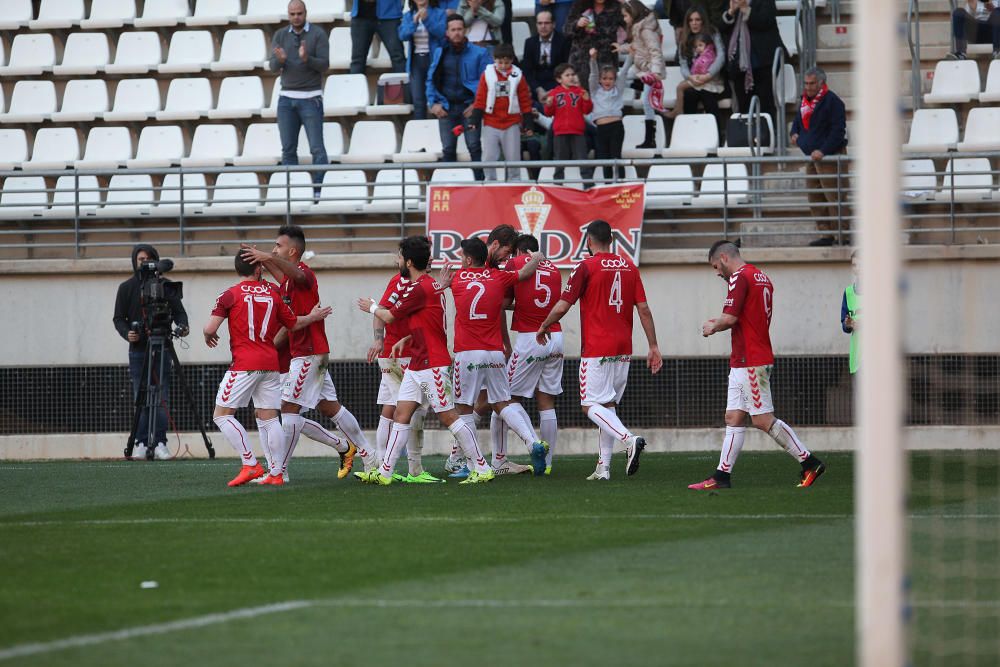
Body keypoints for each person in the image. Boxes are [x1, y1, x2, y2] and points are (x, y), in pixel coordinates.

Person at [241, 226, 377, 482]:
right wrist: (262, 259)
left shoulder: (304, 273)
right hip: (309, 353)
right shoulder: (288, 282)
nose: (273, 249)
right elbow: (285, 279)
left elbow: (297, 276)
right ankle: (368, 455)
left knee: (288, 409)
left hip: (309, 353)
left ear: (292, 251)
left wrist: (267, 258)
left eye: (278, 246)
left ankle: (279, 472)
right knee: (331, 408)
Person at [356, 236, 496, 485]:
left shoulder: (419, 288)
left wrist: (371, 307)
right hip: (419, 361)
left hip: (432, 363)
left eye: (399, 257)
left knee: (448, 416)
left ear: (408, 262)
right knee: (401, 413)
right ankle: (385, 472)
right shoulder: (427, 286)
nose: (397, 261)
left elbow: (388, 316)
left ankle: (482, 467)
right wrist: (408, 338)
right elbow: (428, 322)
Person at [690, 240, 827, 490]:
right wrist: (722, 320)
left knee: (763, 420)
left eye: (715, 267)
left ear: (724, 257)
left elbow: (730, 317)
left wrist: (713, 325)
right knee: (733, 417)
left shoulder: (739, 277)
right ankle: (722, 476)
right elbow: (744, 316)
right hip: (745, 357)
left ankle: (809, 462)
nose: (717, 273)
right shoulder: (761, 276)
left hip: (751, 359)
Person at [536, 220, 663, 481]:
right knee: (607, 404)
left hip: (597, 347)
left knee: (589, 405)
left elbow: (563, 305)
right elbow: (645, 309)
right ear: (612, 240)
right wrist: (653, 345)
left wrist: (544, 325)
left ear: (589, 242)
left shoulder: (586, 266)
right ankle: (603, 467)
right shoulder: (629, 266)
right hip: (623, 347)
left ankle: (629, 439)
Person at [203, 251, 332, 487]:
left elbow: (210, 327)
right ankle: (276, 473)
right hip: (272, 364)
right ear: (258, 269)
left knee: (221, 415)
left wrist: (207, 335)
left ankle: (250, 463)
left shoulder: (229, 295)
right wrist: (313, 317)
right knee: (269, 419)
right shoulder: (273, 292)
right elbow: (293, 323)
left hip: (244, 364)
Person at [444, 238, 548, 476]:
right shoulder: (498, 277)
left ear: (469, 260)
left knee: (463, 408)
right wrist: (538, 257)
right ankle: (531, 443)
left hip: (467, 353)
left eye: (462, 257)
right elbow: (525, 271)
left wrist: (443, 282)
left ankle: (473, 465)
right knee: (502, 402)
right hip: (494, 352)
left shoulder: (457, 278)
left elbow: (439, 286)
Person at [113, 244, 189, 461]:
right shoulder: (126, 287)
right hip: (138, 352)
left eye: (147, 258)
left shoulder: (166, 286)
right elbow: (119, 318)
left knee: (162, 396)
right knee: (141, 397)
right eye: (140, 259)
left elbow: (180, 314)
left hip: (163, 347)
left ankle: (160, 442)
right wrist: (127, 333)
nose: (143, 262)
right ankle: (141, 442)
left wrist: (182, 327)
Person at [503, 234, 565, 475]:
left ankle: (530, 445)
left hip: (531, 337)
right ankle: (548, 465)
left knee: (506, 398)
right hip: (555, 336)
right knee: (547, 401)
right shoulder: (555, 269)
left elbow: (504, 300)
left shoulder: (516, 263)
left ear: (519, 252)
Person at [365, 271, 436, 482]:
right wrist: (379, 340)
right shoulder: (402, 282)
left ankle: (381, 465)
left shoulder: (422, 283)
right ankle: (413, 469)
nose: (430, 259)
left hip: (398, 354)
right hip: (401, 356)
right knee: (413, 410)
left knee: (390, 408)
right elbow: (381, 311)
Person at [269, 1, 330, 192]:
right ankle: (294, 191)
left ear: (306, 13)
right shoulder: (280, 35)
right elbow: (272, 67)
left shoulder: (318, 34)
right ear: (288, 15)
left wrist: (307, 60)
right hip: (286, 99)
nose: (296, 17)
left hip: (311, 98)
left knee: (317, 149)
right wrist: (280, 61)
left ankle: (320, 190)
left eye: (299, 13)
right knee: (288, 150)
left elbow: (324, 65)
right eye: (292, 14)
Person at [427, 15, 493, 180]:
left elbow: (488, 81)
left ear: (466, 31)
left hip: (469, 108)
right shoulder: (439, 52)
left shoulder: (480, 53)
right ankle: (450, 186)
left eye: (459, 29)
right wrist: (433, 103)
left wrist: (477, 106)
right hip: (446, 108)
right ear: (447, 33)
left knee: (474, 146)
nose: (457, 33)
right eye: (453, 30)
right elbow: (430, 79)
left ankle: (480, 185)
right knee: (448, 149)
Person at [789, 66, 849, 247]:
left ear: (822, 83)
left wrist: (823, 151)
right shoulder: (804, 102)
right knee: (816, 197)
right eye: (806, 83)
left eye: (812, 83)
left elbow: (838, 132)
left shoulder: (833, 102)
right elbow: (797, 122)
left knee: (834, 196)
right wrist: (794, 133)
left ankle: (843, 235)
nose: (808, 87)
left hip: (829, 157)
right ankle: (826, 234)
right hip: (811, 157)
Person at [470, 43, 535, 181]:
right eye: (500, 62)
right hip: (491, 122)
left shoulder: (518, 76)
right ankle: (490, 182)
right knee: (489, 156)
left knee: (513, 157)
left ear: (512, 60)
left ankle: (514, 182)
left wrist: (528, 122)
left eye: (507, 62)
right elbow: (480, 98)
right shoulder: (486, 75)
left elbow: (524, 100)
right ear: (494, 59)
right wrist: (475, 119)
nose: (504, 66)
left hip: (511, 123)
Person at [617, 0, 666, 149]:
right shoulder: (639, 27)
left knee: (646, 101)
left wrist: (655, 72)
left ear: (633, 13)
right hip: (641, 68)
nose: (624, 19)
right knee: (620, 79)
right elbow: (637, 47)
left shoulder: (646, 29)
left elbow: (655, 51)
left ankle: (650, 139)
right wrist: (622, 48)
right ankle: (639, 85)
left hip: (650, 70)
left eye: (625, 16)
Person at [722, 0, 782, 122]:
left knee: (765, 104)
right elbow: (721, 27)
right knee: (743, 106)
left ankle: (768, 137)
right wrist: (731, 12)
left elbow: (766, 21)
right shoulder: (731, 2)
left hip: (763, 61)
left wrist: (746, 9)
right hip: (739, 63)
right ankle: (746, 137)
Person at [543, 63, 594, 184]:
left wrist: (587, 100)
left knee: (582, 158)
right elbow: (548, 113)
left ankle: (588, 184)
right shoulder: (554, 93)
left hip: (577, 130)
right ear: (559, 79)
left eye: (572, 74)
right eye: (567, 75)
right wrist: (548, 104)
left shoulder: (580, 91)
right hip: (560, 131)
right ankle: (558, 183)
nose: (571, 77)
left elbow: (587, 110)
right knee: (560, 159)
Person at [399, 0, 448, 120]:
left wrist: (427, 20)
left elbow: (442, 33)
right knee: (418, 100)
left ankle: (442, 131)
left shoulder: (439, 13)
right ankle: (419, 131)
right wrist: (414, 23)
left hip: (435, 59)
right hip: (416, 61)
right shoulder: (408, 16)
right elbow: (402, 35)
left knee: (439, 97)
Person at [588, 47, 630, 180]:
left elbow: (623, 72)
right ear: (600, 80)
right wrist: (593, 60)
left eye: (611, 79)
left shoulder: (617, 90)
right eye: (605, 78)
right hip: (601, 128)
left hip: (616, 127)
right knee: (604, 158)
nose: (607, 81)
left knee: (616, 156)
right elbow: (593, 75)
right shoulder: (595, 90)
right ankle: (607, 186)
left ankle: (621, 184)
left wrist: (631, 55)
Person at [564, 0, 625, 85]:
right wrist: (577, 24)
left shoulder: (616, 6)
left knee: (605, 95)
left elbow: (632, 23)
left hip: (606, 60)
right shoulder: (579, 5)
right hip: (581, 60)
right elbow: (566, 31)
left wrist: (627, 3)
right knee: (581, 94)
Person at [521, 10, 572, 110]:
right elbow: (527, 70)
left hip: (558, 84)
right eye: (540, 23)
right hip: (537, 85)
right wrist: (538, 90)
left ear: (553, 24)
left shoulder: (564, 41)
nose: (543, 26)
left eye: (546, 23)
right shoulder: (530, 42)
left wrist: (553, 91)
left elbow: (566, 68)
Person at [350, 0, 407, 74]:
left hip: (389, 15)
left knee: (398, 57)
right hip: (360, 16)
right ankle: (355, 85)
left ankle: (403, 85)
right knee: (357, 60)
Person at [841, 251, 860, 376]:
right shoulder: (848, 292)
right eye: (854, 265)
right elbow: (844, 323)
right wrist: (848, 324)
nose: (858, 268)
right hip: (857, 360)